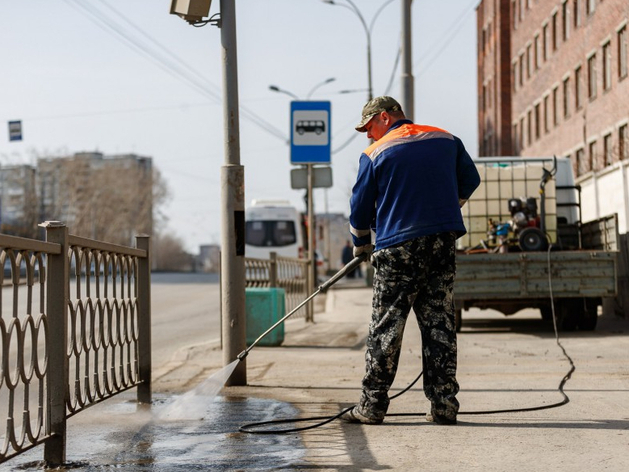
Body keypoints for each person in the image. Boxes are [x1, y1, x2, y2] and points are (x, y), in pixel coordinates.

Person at [341, 96, 481, 425]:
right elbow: (471, 179)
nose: (367, 135)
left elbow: (360, 206)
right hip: (441, 243)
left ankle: (372, 405)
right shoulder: (446, 139)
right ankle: (444, 405)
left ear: (387, 117)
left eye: (369, 126)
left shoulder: (375, 154)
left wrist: (360, 242)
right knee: (439, 325)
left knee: (386, 326)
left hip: (397, 249)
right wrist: (450, 205)